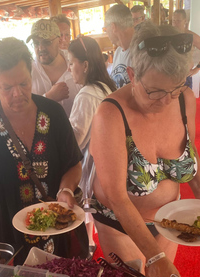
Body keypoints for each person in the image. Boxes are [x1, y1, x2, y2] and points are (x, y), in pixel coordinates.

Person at [90, 22, 200, 277]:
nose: (165, 101)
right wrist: (155, 256)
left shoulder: (184, 100)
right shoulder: (111, 114)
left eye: (175, 88)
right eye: (155, 91)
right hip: (119, 224)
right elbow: (117, 197)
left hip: (168, 220)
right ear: (132, 75)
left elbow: (189, 152)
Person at [0, 37, 89, 264]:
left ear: (32, 74)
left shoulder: (53, 113)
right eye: (6, 88)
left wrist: (66, 189)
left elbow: (73, 163)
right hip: (9, 233)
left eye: (23, 84)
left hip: (59, 228)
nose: (17, 94)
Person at [67, 36, 117, 257]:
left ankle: (88, 245)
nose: (70, 69)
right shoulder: (105, 86)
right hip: (107, 157)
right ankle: (90, 243)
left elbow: (75, 139)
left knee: (87, 204)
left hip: (92, 160)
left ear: (85, 65)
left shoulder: (87, 94)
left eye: (71, 63)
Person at [27, 19, 81, 117]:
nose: (41, 48)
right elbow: (23, 111)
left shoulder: (77, 64)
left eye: (47, 42)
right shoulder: (27, 71)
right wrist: (48, 98)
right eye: (36, 43)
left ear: (59, 40)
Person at [172, 9, 200, 89]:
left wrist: (197, 68)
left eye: (178, 21)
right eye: (173, 20)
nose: (175, 24)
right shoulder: (169, 35)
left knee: (186, 101)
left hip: (186, 75)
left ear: (185, 21)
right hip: (171, 76)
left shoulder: (191, 36)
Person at [104, 4, 135, 88]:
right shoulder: (118, 51)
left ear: (113, 27)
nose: (106, 33)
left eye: (105, 29)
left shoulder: (140, 51)